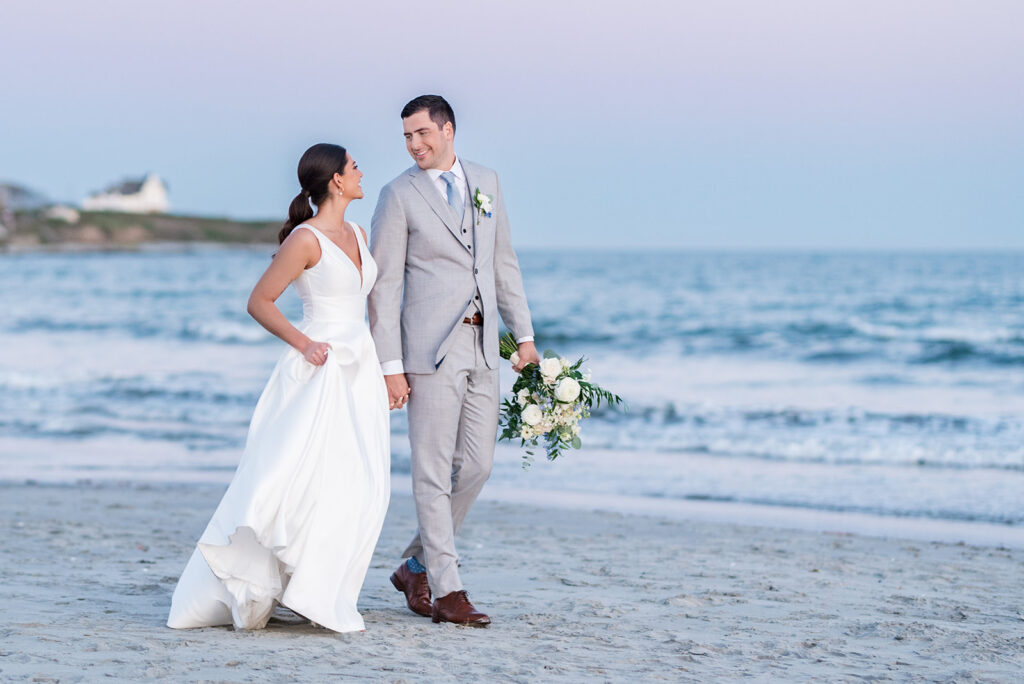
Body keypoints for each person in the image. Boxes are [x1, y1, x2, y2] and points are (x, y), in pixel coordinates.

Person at [167, 143, 390, 633]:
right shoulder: (306, 240)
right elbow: (260, 301)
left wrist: (390, 366)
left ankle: (319, 588)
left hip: (361, 369)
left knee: (360, 483)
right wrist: (306, 344)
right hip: (322, 372)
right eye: (353, 166)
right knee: (297, 482)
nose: (359, 172)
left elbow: (367, 304)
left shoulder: (358, 231)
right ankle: (280, 586)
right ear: (335, 180)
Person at [369, 95, 539, 627]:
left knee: (479, 465)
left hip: (483, 345)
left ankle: (414, 566)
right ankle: (447, 590)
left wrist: (525, 336)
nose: (415, 145)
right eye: (406, 138)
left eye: (422, 134)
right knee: (432, 471)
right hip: (427, 351)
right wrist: (389, 364)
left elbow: (502, 263)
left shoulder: (486, 181)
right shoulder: (397, 195)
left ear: (447, 130)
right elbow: (385, 287)